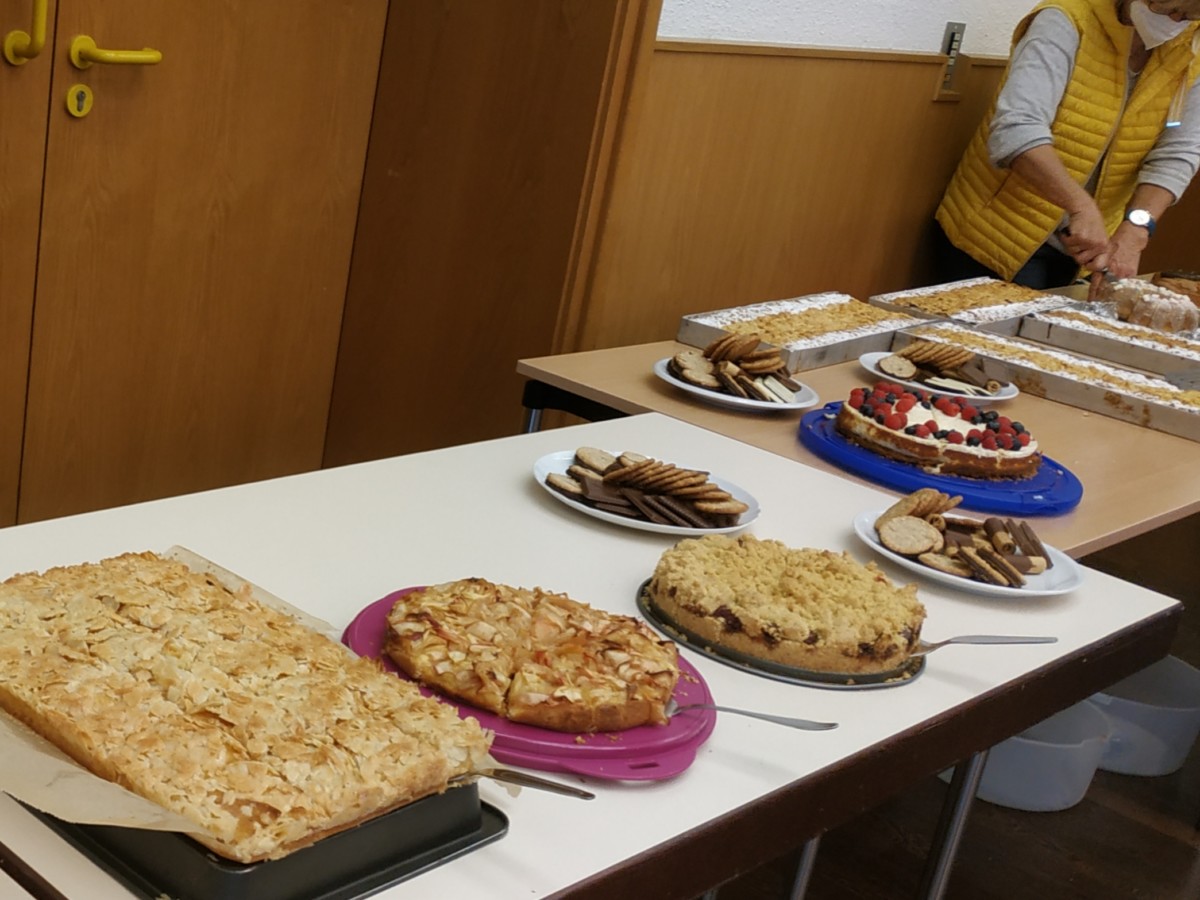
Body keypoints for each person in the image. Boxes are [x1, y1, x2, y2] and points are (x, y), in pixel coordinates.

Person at [934, 0, 1200, 296]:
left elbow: (1176, 154)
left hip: (1086, 252)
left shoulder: (1193, 50)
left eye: (1190, 14)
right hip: (997, 233)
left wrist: (1136, 228)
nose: (1177, 18)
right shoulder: (1066, 19)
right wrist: (1080, 206)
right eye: (1168, 7)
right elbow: (1017, 129)